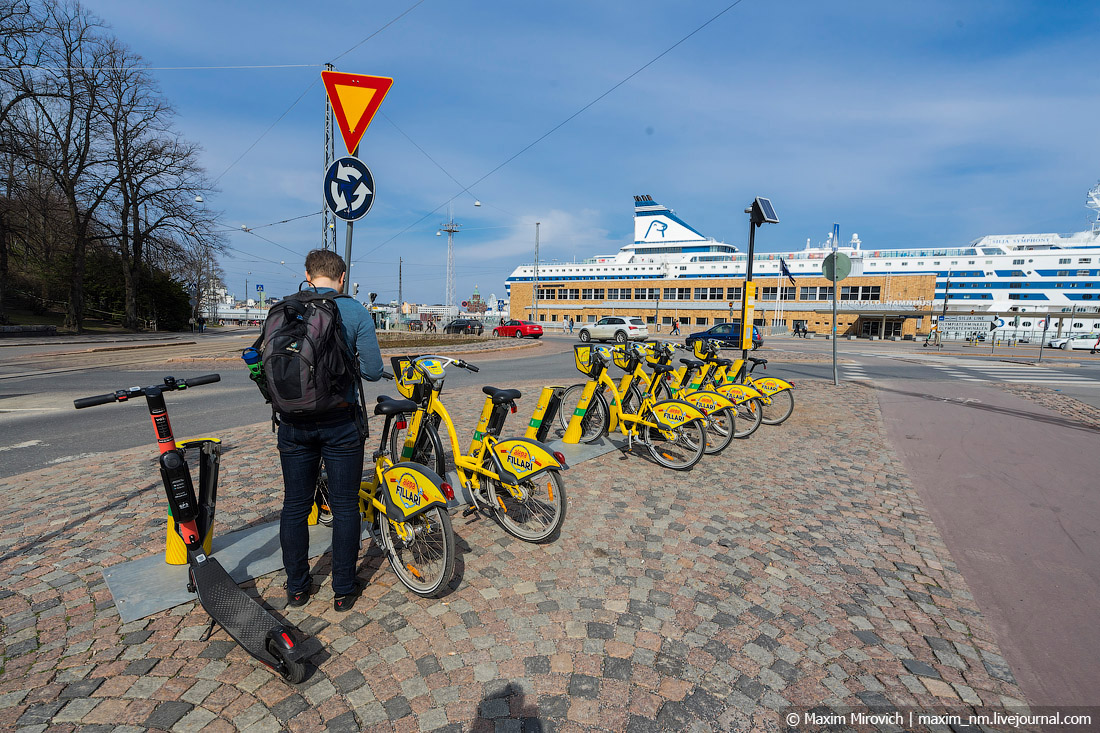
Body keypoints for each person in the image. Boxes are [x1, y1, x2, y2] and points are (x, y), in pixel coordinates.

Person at [277, 249, 383, 612]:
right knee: (344, 505)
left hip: (292, 423)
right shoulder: (355, 311)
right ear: (342, 277)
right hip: (340, 423)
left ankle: (296, 588)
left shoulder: (285, 307)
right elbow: (371, 371)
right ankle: (342, 588)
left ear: (308, 275)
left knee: (295, 505)